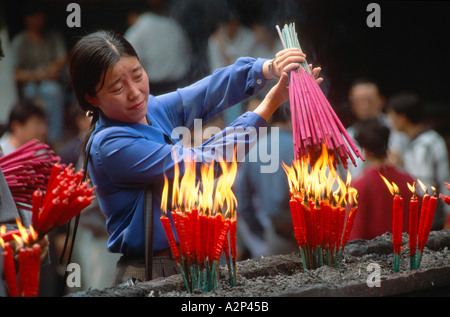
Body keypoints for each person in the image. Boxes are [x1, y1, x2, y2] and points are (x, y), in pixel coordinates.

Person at [68, 30, 321, 284]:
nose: (135, 92)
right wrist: (271, 102)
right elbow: (203, 162)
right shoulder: (110, 144)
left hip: (197, 258)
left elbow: (206, 92)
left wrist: (267, 67)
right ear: (92, 98)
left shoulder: (152, 108)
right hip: (155, 269)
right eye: (118, 88)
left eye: (137, 76)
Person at [234, 99, 297, 259]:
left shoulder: (253, 151)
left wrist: (261, 232)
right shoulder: (299, 147)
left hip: (273, 235)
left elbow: (243, 203)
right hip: (303, 231)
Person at [386, 92, 450, 230]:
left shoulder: (424, 144)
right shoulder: (421, 140)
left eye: (392, 116)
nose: (390, 120)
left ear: (402, 118)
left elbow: (424, 187)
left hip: (429, 215)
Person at [349, 118, 415, 241]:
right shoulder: (408, 180)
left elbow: (354, 233)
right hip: (407, 251)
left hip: (373, 257)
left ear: (365, 151)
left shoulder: (362, 185)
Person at [11, 2, 67, 145]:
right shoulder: (20, 41)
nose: (38, 20)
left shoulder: (53, 36)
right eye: (34, 17)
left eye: (40, 16)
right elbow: (15, 74)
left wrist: (50, 70)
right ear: (27, 19)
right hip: (30, 84)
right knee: (31, 94)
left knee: (52, 90)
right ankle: (33, 141)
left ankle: (54, 140)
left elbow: (63, 59)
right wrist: (36, 75)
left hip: (51, 82)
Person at [342, 78, 409, 179]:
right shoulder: (347, 136)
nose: (365, 106)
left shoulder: (397, 128)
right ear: (352, 105)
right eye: (359, 101)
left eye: (369, 100)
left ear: (381, 100)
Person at [124, 0, 191, 96]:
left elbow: (127, 63)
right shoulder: (172, 24)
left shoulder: (137, 29)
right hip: (180, 85)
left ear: (132, 15)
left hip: (155, 88)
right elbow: (186, 51)